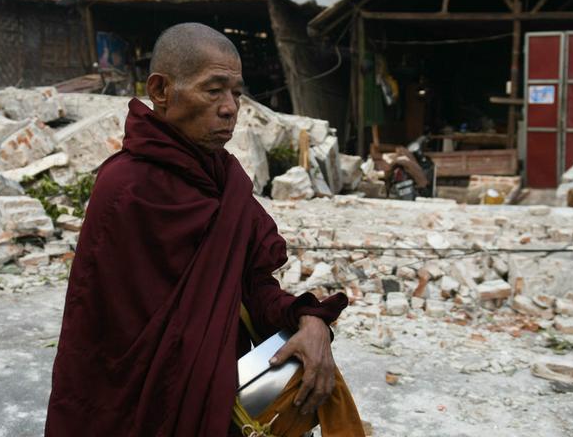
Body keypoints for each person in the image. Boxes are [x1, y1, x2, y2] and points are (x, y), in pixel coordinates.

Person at [45, 23, 351, 436]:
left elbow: (249, 289)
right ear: (160, 91)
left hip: (211, 406)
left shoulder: (227, 181)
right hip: (131, 414)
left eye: (237, 93)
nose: (230, 108)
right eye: (213, 90)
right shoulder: (125, 190)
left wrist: (309, 319)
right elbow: (101, 347)